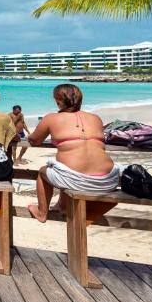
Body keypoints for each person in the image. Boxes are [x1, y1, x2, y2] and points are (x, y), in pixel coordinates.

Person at [26, 83, 118, 222]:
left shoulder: (51, 118)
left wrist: (28, 136)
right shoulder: (95, 118)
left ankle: (41, 213)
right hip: (109, 180)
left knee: (43, 172)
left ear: (58, 101)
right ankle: (61, 205)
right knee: (63, 167)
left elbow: (35, 140)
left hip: (78, 180)